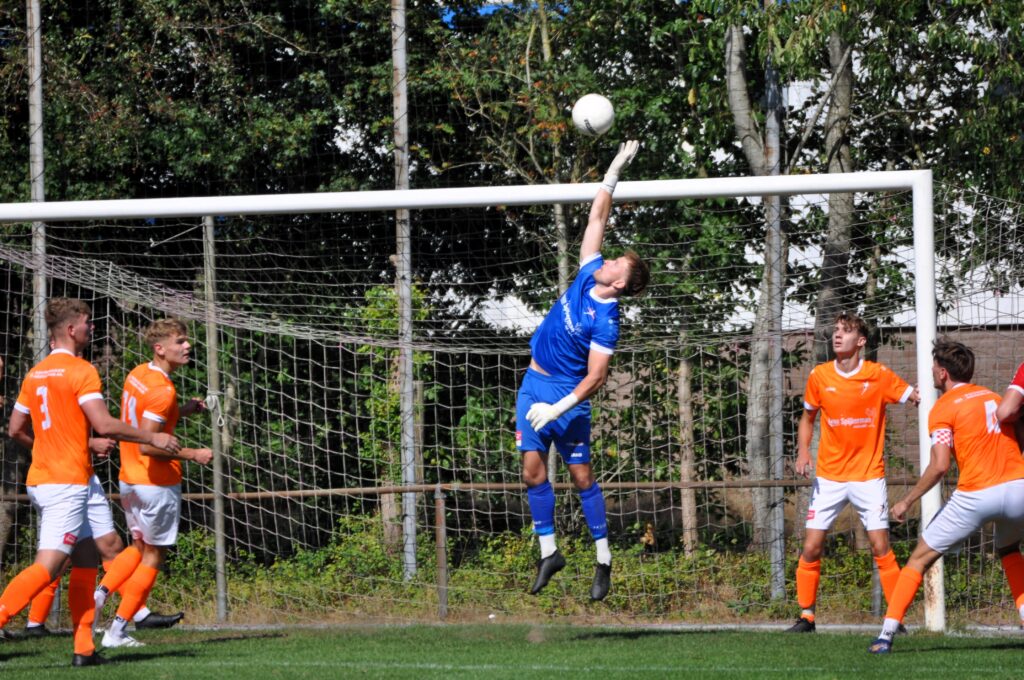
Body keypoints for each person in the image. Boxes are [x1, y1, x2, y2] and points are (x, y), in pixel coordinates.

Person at [3, 298, 180, 666]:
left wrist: (54, 448)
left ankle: (84, 649)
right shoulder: (81, 370)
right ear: (71, 329)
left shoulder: (36, 373)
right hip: (65, 483)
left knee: (86, 559)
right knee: (50, 566)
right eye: (87, 322)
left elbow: (16, 429)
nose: (92, 328)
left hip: (54, 478)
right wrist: (153, 437)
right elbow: (104, 424)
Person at [517, 140, 650, 601]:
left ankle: (603, 559)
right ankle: (549, 553)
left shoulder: (607, 322)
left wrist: (557, 409)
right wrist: (612, 173)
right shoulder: (587, 272)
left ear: (620, 283)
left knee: (580, 478)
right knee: (533, 473)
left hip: (568, 398)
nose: (606, 259)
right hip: (534, 383)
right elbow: (597, 218)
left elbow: (596, 379)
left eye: (615, 263)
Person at [869, 338, 1024, 653]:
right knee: (1009, 548)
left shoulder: (943, 408)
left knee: (919, 558)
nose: (931, 372)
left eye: (933, 367)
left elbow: (940, 465)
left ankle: (885, 636)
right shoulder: (994, 396)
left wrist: (907, 500)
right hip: (1019, 488)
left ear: (942, 373)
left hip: (977, 494)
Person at [788, 312, 919, 632]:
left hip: (868, 476)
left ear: (860, 341)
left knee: (880, 546)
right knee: (811, 547)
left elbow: (913, 395)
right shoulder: (820, 376)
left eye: (845, 332)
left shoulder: (878, 375)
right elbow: (807, 418)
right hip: (829, 477)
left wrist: (925, 395)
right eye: (836, 330)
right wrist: (803, 452)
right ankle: (806, 617)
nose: (837, 335)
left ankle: (896, 620)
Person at [95, 318, 212, 648]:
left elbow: (144, 419)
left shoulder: (138, 374)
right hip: (155, 483)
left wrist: (182, 411)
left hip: (130, 479)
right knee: (153, 556)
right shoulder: (163, 389)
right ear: (160, 348)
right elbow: (149, 443)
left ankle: (99, 595)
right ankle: (117, 631)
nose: (187, 346)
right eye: (180, 342)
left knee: (137, 547)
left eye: (186, 340)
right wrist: (193, 454)